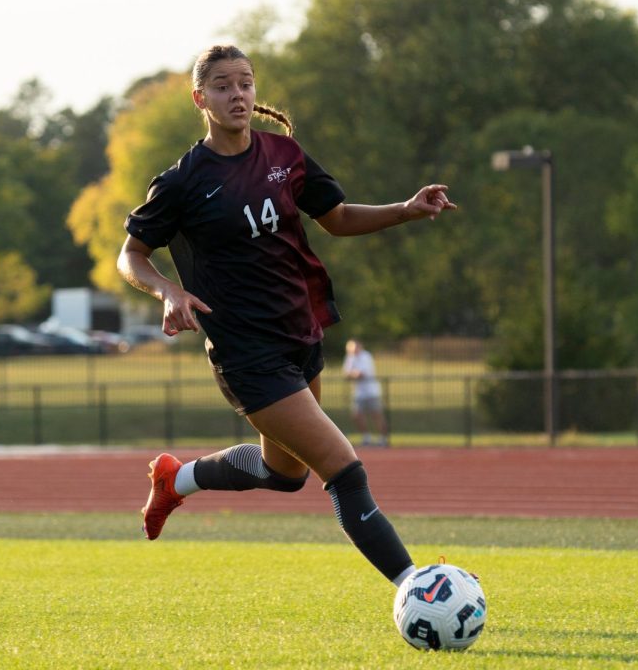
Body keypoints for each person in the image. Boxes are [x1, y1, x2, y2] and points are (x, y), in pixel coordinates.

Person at [117, 44, 456, 588]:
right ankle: (416, 586)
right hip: (247, 354)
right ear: (200, 98)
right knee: (344, 469)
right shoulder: (182, 180)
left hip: (302, 333)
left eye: (246, 83)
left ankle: (175, 479)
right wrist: (165, 292)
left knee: (285, 473)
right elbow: (130, 255)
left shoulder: (284, 154)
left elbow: (338, 218)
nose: (238, 94)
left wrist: (406, 210)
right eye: (224, 86)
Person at [342, 340, 388, 446]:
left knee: (376, 414)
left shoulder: (366, 356)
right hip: (358, 393)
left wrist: (352, 374)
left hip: (372, 391)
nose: (352, 351)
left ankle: (383, 438)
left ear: (359, 347)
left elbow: (361, 374)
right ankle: (366, 437)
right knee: (357, 415)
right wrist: (353, 374)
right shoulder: (350, 357)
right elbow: (346, 374)